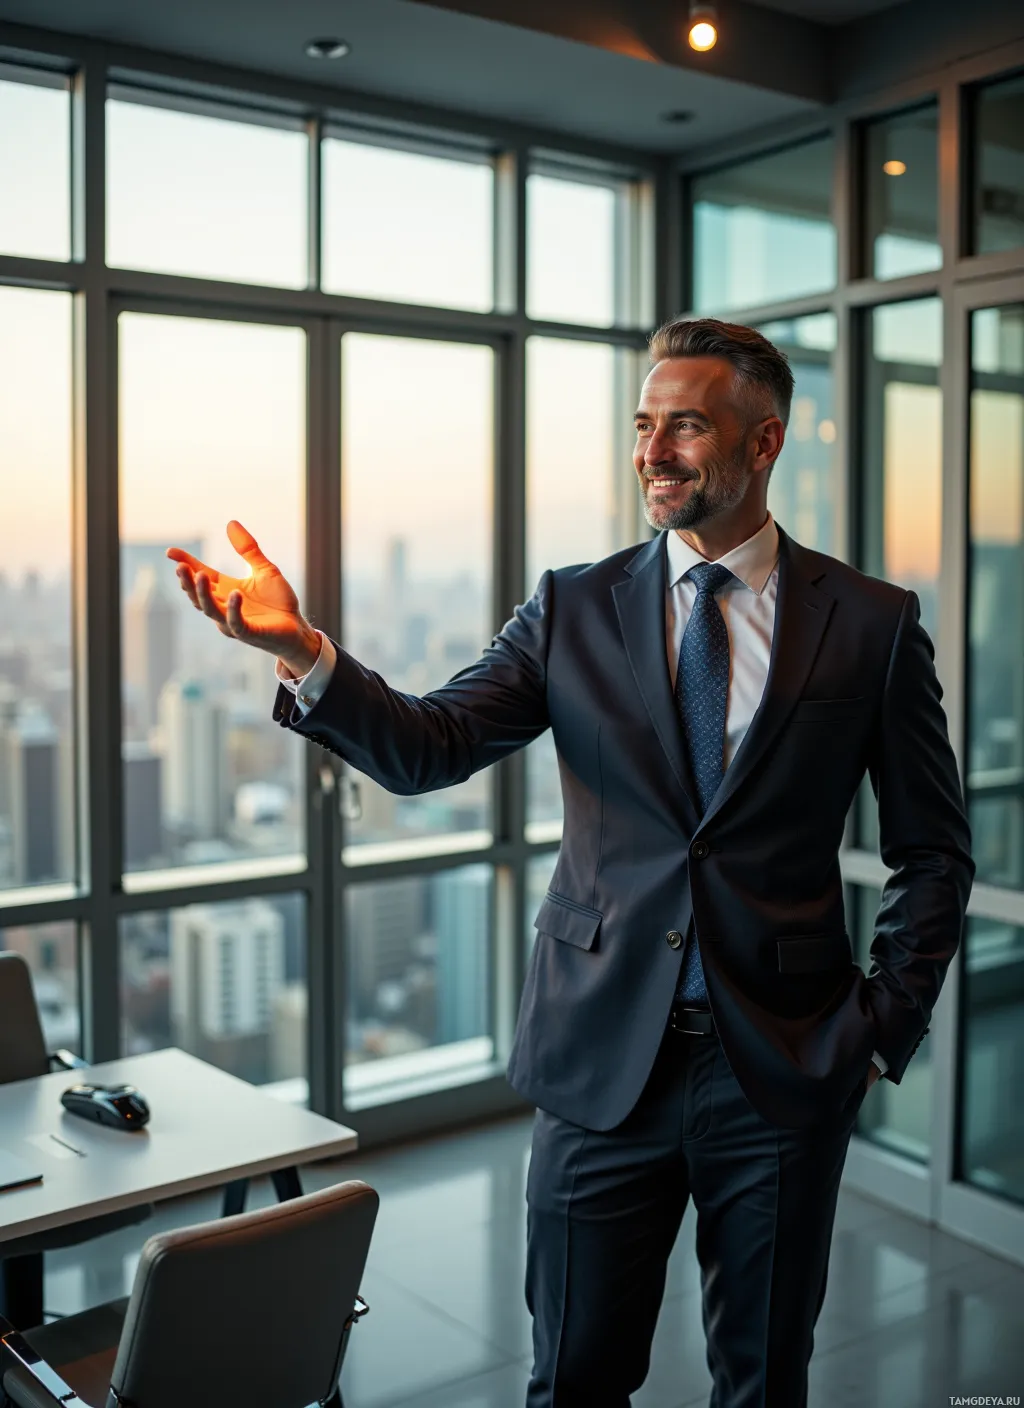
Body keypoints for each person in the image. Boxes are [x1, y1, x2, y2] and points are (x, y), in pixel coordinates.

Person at [167, 317, 974, 1408]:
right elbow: (428, 744)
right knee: (574, 1382)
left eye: (685, 426)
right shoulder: (573, 605)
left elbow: (931, 850)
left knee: (764, 1381)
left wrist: (880, 1032)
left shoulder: (871, 623)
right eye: (643, 426)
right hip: (600, 1062)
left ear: (764, 441)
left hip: (783, 1067)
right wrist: (304, 652)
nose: (652, 452)